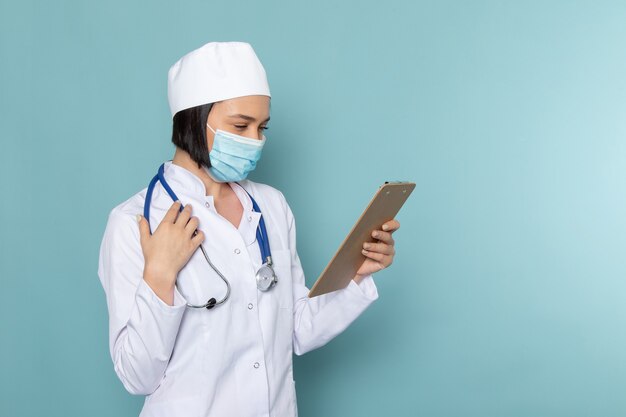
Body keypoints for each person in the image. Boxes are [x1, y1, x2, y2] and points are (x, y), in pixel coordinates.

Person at [97, 41, 401, 417]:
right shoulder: (134, 222)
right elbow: (137, 377)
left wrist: (356, 273)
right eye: (240, 125)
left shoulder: (271, 206)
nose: (255, 141)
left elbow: (296, 329)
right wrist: (159, 274)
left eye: (262, 127)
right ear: (194, 118)